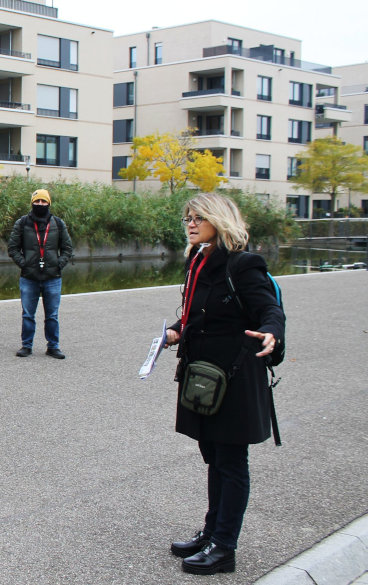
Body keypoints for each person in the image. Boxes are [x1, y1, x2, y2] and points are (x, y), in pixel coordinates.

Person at [163, 193, 285, 575]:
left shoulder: (243, 263)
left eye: (199, 217)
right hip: (203, 376)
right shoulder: (198, 260)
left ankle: (224, 547)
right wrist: (177, 330)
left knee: (231, 461)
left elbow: (269, 309)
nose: (191, 223)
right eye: (187, 217)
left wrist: (271, 333)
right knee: (213, 455)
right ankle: (211, 533)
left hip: (234, 376)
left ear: (220, 218)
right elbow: (200, 312)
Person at [7, 189, 73, 359]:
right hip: (29, 278)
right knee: (28, 315)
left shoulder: (58, 223)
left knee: (52, 316)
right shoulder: (22, 223)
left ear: (49, 203)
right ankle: (26, 346)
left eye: (44, 202)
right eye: (37, 201)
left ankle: (53, 346)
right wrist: (25, 264)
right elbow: (12, 248)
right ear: (32, 203)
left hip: (53, 278)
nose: (40, 205)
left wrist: (59, 265)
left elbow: (67, 248)